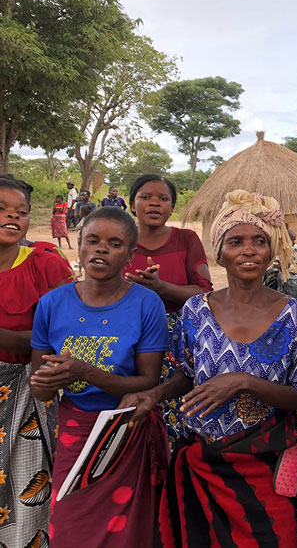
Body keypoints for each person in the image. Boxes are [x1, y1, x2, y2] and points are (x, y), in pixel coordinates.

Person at [120, 190, 297, 547]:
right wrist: (154, 394)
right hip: (200, 462)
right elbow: (184, 375)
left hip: (263, 462)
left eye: (259, 241)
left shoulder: (294, 316)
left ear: (271, 250)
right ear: (219, 252)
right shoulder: (196, 311)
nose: (248, 250)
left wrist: (242, 381)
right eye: (236, 241)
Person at [29, 206, 169, 547]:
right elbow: (41, 384)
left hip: (126, 432)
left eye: (114, 243)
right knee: (70, 521)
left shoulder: (146, 304)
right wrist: (43, 383)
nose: (101, 249)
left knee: (128, 531)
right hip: (74, 434)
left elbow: (148, 382)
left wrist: (83, 371)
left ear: (132, 254)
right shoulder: (51, 304)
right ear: (79, 244)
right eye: (92, 240)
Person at [0, 177, 73, 547]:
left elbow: (69, 333)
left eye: (21, 212)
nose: (12, 216)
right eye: (1, 209)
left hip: (28, 395)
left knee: (25, 489)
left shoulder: (44, 264)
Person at [123, 174, 212, 447]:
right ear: (131, 204)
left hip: (177, 340)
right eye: (146, 197)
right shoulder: (118, 241)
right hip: (126, 338)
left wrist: (160, 287)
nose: (154, 204)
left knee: (175, 414)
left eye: (163, 199)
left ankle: (176, 470)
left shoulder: (186, 240)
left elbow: (205, 293)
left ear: (172, 207)